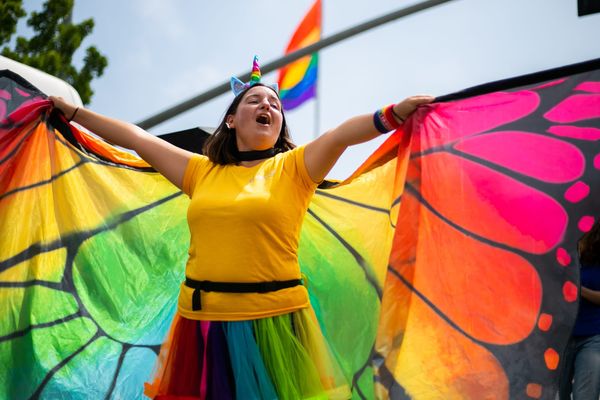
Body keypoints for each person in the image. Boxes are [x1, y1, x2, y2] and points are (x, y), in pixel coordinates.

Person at [50, 56, 434, 399]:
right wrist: (74, 113)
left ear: (280, 123)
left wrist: (393, 113)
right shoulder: (201, 171)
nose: (266, 105)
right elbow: (137, 138)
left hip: (275, 324)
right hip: (202, 324)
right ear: (231, 120)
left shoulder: (295, 168)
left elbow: (341, 136)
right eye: (254, 100)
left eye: (274, 104)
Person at [559, 219, 600, 400]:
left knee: (585, 393)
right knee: (560, 390)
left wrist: (578, 288)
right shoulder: (568, 258)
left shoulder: (595, 264)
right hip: (563, 336)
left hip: (594, 336)